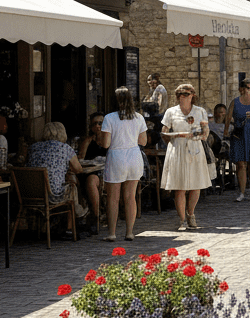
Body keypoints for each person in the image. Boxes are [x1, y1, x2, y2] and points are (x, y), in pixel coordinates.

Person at [99, 87, 148, 241]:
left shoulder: (109, 118)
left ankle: (112, 233)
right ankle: (129, 232)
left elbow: (106, 144)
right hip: (134, 155)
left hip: (116, 156)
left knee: (113, 198)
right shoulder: (139, 118)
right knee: (130, 197)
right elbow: (143, 141)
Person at [160, 83, 211, 232]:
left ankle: (191, 214)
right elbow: (164, 132)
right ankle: (181, 219)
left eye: (187, 94)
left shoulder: (199, 111)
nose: (183, 97)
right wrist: (175, 137)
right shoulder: (171, 112)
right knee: (180, 186)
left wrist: (200, 134)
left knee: (196, 183)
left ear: (192, 96)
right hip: (178, 148)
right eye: (181, 94)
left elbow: (206, 132)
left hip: (194, 147)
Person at [27, 120, 86, 234]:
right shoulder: (65, 148)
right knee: (72, 185)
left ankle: (38, 226)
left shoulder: (33, 147)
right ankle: (70, 227)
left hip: (30, 193)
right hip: (52, 194)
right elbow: (78, 169)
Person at [77, 113, 107, 230]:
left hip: (107, 173)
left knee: (94, 180)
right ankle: (95, 215)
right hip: (90, 172)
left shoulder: (111, 140)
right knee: (91, 180)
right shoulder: (88, 141)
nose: (98, 126)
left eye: (101, 123)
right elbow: (80, 159)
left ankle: (98, 215)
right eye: (95, 124)